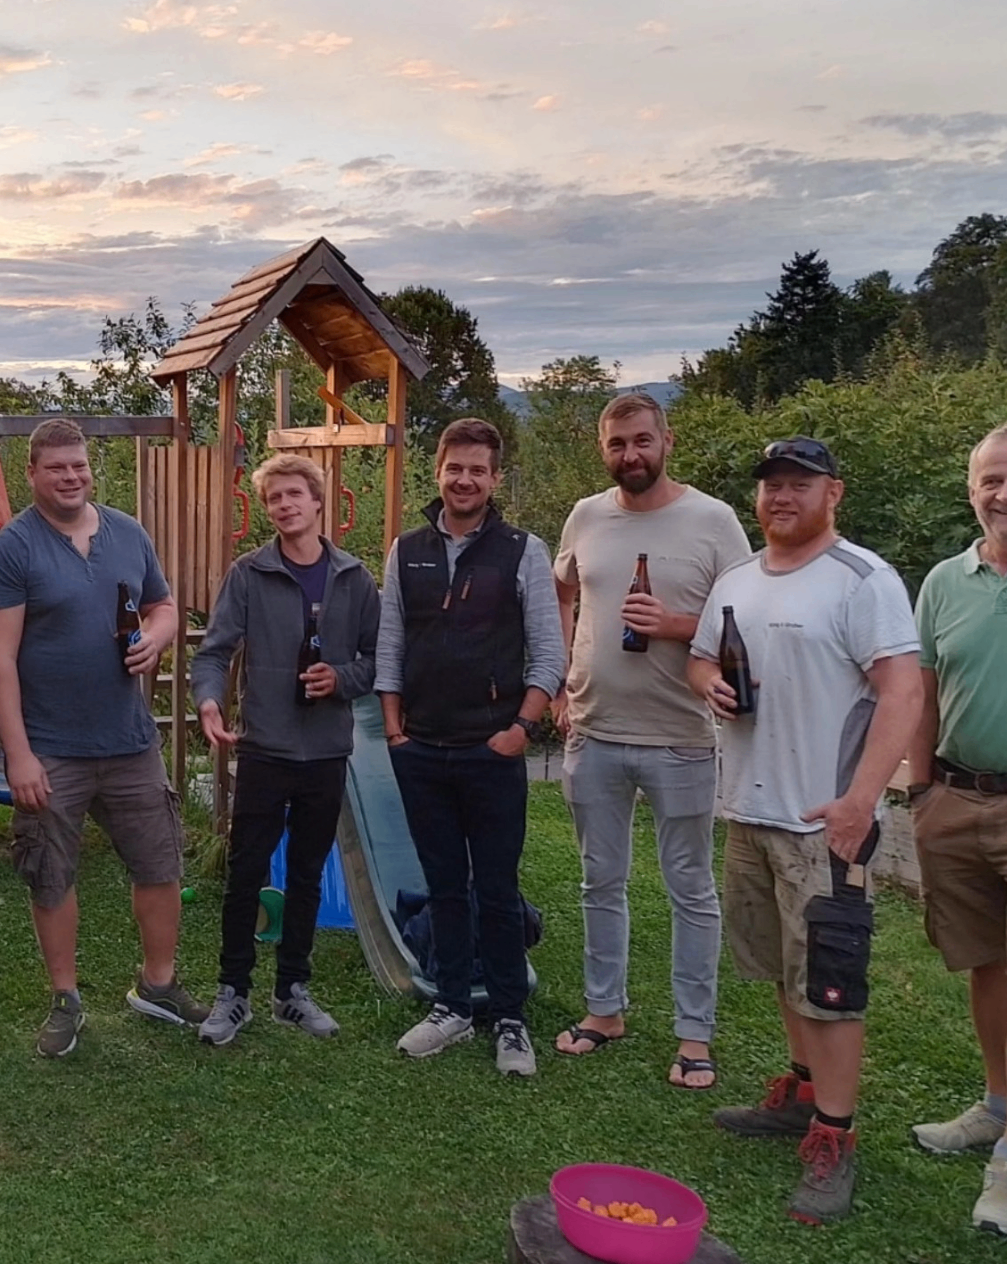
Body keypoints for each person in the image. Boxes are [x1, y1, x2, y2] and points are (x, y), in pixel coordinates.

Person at [687, 436, 922, 1225]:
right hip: (750, 813)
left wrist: (860, 801)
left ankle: (835, 1138)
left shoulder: (862, 579)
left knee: (830, 984)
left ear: (834, 493)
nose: (781, 496)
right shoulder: (737, 579)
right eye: (771, 485)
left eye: (799, 484)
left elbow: (902, 692)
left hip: (826, 824)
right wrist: (712, 680)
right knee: (785, 972)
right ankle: (802, 1094)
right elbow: (699, 661)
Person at [0, 418, 207, 1058]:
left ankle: (157, 985)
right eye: (57, 468)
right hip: (50, 745)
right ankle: (66, 999)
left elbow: (163, 606)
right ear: (32, 474)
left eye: (79, 465)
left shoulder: (127, 533)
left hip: (130, 739)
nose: (72, 476)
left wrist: (158, 636)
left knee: (159, 863)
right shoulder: (14, 550)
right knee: (51, 873)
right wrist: (17, 755)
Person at [550, 392, 751, 1089]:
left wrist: (671, 623)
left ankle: (694, 1036)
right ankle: (604, 1012)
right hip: (595, 729)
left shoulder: (713, 521)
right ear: (602, 449)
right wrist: (561, 679)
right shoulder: (586, 516)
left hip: (680, 737)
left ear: (666, 439)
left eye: (641, 440)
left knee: (689, 887)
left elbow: (744, 623)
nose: (629, 455)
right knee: (598, 881)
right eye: (616, 444)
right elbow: (561, 590)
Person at [376, 417, 565, 1077]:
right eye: (455, 468)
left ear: (495, 478)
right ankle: (452, 1007)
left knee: (497, 886)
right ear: (439, 471)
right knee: (444, 885)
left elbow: (549, 651)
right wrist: (395, 729)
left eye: (478, 470)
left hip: (492, 748)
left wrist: (520, 730)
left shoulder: (523, 551)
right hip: (422, 749)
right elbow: (390, 645)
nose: (465, 480)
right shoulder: (406, 549)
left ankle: (510, 1018)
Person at [191, 454, 380, 1046]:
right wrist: (209, 703)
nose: (285, 506)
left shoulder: (355, 577)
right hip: (266, 748)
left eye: (295, 495)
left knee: (305, 874)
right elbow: (214, 651)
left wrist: (342, 680)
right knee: (247, 871)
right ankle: (233, 993)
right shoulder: (249, 573)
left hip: (326, 750)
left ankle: (292, 991)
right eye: (275, 499)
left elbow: (379, 660)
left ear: (319, 502)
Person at [907, 424, 1007, 1235]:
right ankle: (996, 1107)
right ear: (971, 489)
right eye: (991, 480)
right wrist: (921, 793)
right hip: (957, 800)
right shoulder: (946, 580)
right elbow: (925, 692)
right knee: (986, 965)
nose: (1001, 494)